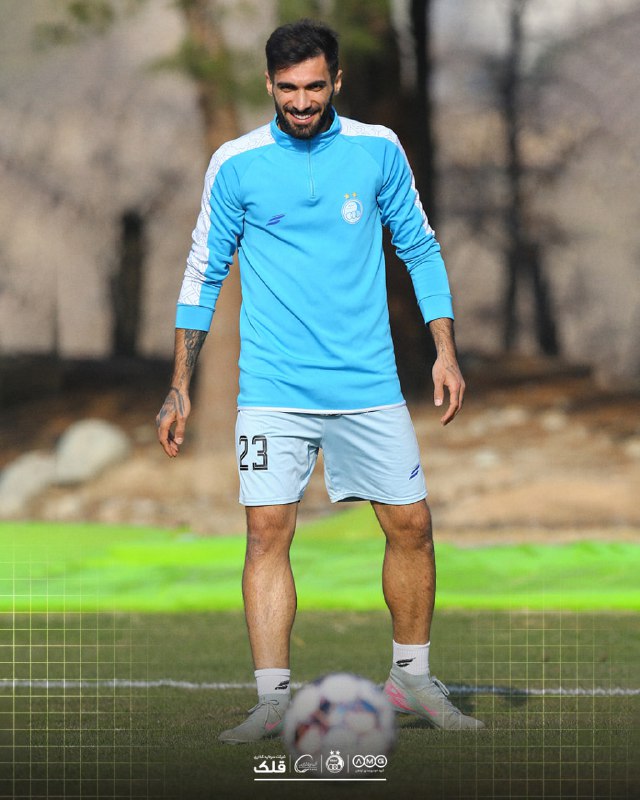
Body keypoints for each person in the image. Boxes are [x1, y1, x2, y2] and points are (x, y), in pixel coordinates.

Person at [156, 19, 485, 742]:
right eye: (287, 89)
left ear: (336, 79)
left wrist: (444, 350)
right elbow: (202, 272)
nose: (301, 102)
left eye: (313, 86)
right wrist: (180, 384)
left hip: (367, 383)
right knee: (266, 533)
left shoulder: (378, 149)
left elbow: (421, 249)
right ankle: (272, 699)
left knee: (412, 527)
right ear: (268, 84)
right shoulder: (235, 163)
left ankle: (411, 680)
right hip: (273, 388)